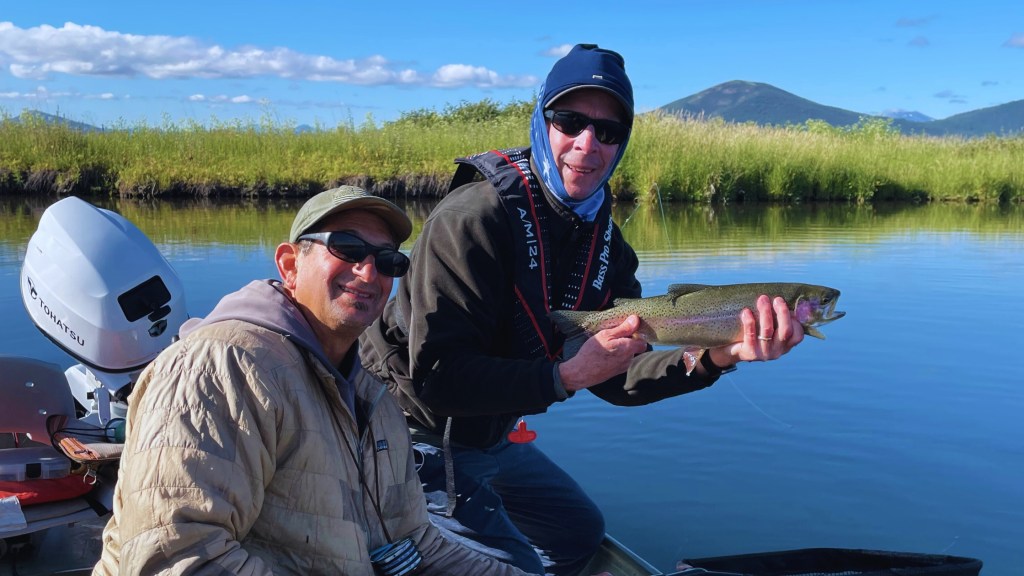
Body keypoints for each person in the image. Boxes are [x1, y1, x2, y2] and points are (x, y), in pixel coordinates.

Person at [359, 43, 806, 576]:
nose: (587, 144)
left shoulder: (607, 245)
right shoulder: (471, 220)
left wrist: (717, 357)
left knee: (578, 534)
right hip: (410, 434)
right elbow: (438, 377)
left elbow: (618, 378)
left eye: (609, 131)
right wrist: (564, 375)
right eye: (569, 121)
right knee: (514, 565)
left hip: (490, 433)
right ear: (542, 121)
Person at [93, 186, 534, 575]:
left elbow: (413, 542)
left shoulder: (374, 397)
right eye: (346, 247)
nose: (368, 272)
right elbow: (175, 559)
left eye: (387, 260)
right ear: (289, 264)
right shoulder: (221, 365)